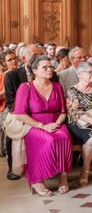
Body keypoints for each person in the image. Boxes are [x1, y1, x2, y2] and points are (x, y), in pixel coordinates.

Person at [13, 56, 72, 196]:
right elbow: (20, 114)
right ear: (35, 71)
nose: (49, 69)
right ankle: (37, 179)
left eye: (50, 67)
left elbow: (63, 112)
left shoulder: (57, 86)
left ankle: (63, 177)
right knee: (49, 140)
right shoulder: (25, 87)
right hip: (33, 125)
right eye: (44, 67)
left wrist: (57, 123)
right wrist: (42, 126)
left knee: (64, 136)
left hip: (55, 122)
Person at [4, 44, 46, 180]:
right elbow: (10, 102)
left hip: (43, 112)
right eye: (34, 56)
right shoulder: (12, 75)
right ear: (23, 58)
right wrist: (27, 112)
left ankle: (49, 164)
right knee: (12, 131)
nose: (38, 58)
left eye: (40, 55)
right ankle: (14, 167)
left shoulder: (49, 73)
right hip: (20, 113)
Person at [0, 49, 19, 157]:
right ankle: (10, 154)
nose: (13, 61)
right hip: (6, 107)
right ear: (4, 63)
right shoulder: (3, 76)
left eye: (14, 58)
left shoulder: (23, 73)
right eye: (9, 60)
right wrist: (5, 91)